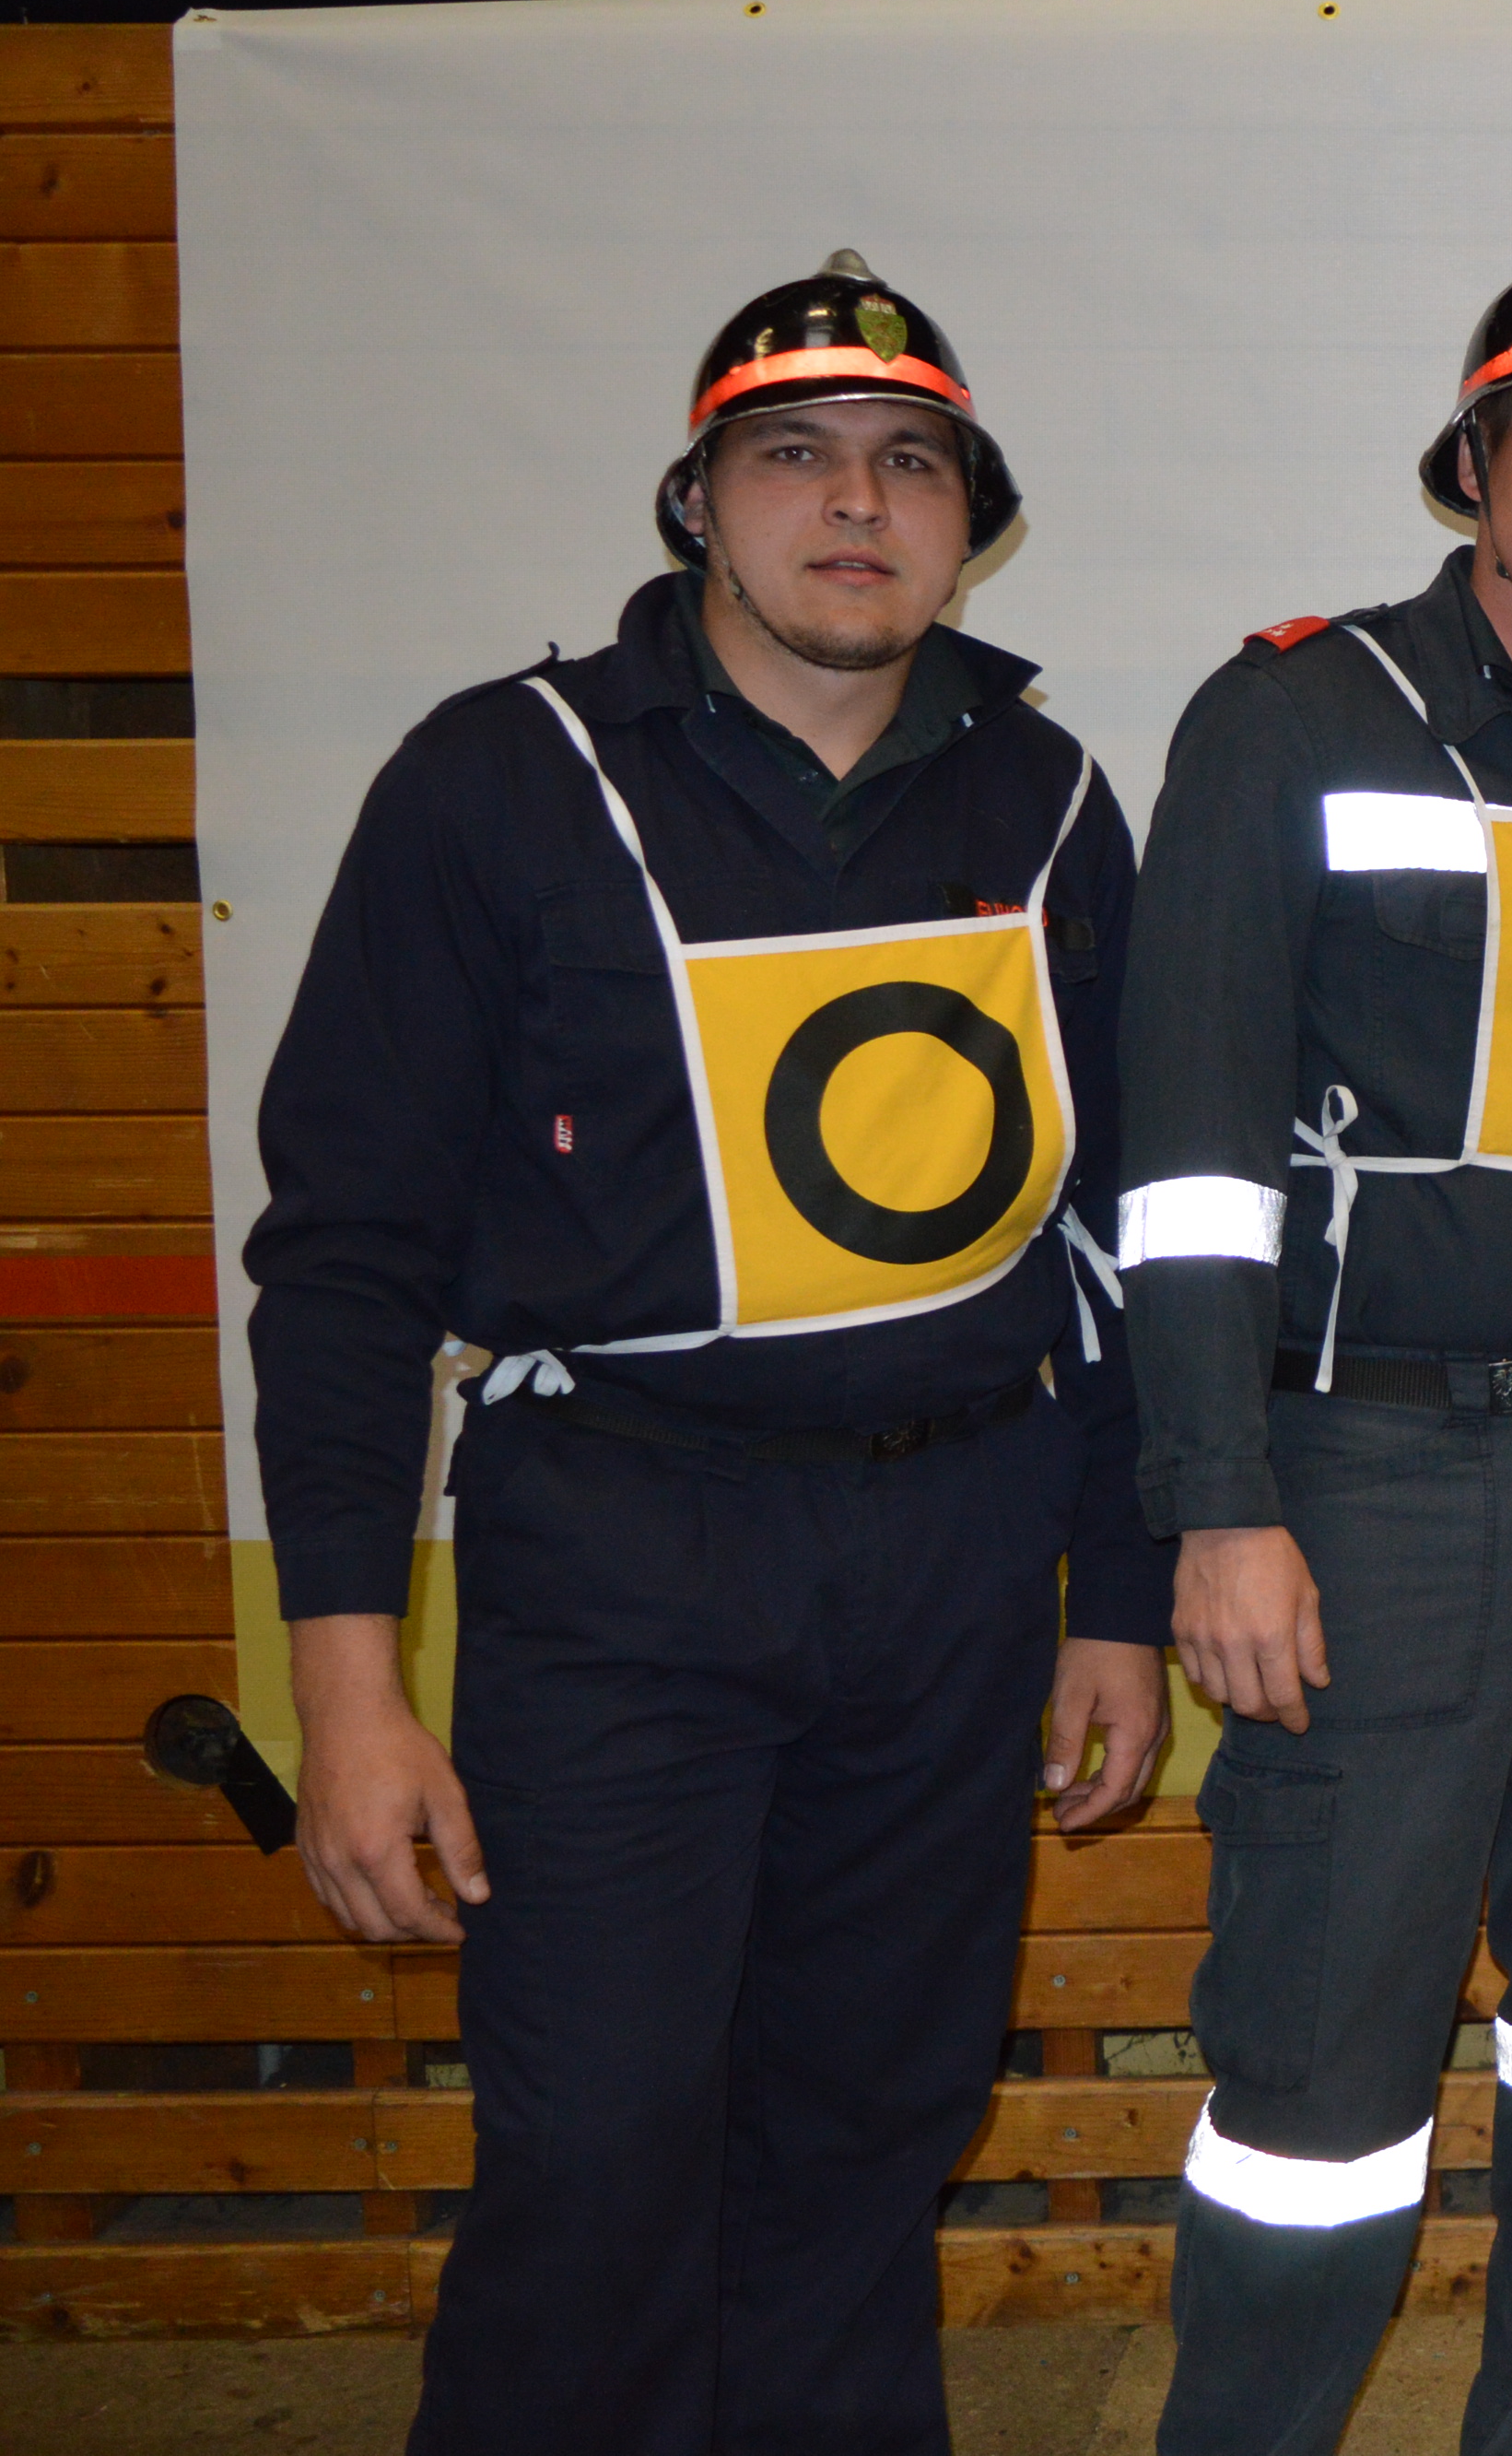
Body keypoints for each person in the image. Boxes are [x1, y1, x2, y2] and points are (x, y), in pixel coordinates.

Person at [252, 251, 1168, 2455]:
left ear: (971, 517)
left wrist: (1117, 1602)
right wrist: (350, 1693)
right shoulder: (501, 779)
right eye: (795, 456)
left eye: (909, 463)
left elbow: (1130, 1235)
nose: (855, 503)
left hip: (957, 1555)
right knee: (599, 2152)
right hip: (621, 1556)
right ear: (696, 501)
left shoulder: (1048, 800)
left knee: (871, 2137)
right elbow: (349, 1258)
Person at [1118, 227, 1512, 2456]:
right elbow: (1190, 1162)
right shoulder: (1293, 718)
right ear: (1476, 464)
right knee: (1323, 2071)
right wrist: (1217, 1503)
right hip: (1371, 1480)